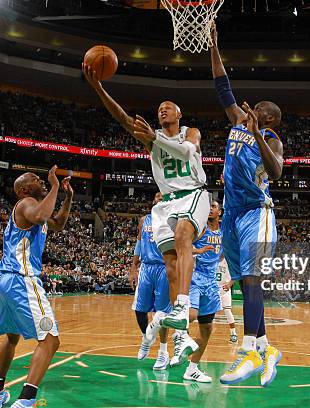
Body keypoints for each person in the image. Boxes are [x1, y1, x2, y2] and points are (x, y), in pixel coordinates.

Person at [83, 64, 210, 335]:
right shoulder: (151, 138)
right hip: (167, 201)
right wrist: (99, 88)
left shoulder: (191, 131)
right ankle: (181, 333)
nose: (162, 109)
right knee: (171, 263)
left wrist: (154, 138)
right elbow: (122, 118)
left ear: (179, 114)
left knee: (183, 236)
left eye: (168, 107)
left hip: (193, 193)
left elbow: (188, 152)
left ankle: (184, 303)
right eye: (159, 108)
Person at [210, 22, 283, 386]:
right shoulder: (237, 119)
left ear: (267, 117)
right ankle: (268, 348)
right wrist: (213, 46)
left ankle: (250, 351)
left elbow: (278, 171)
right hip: (232, 213)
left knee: (253, 278)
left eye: (259, 111)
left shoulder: (270, 137)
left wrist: (257, 133)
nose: (249, 109)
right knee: (244, 283)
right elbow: (223, 86)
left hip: (258, 212)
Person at [0, 166, 73, 408]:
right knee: (50, 340)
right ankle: (25, 400)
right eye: (35, 179)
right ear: (24, 189)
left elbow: (57, 224)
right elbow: (43, 217)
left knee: (11, 337)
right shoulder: (26, 203)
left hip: (3, 281)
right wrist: (55, 186)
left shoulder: (35, 208)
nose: (40, 180)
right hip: (20, 279)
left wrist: (68, 198)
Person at [130, 192, 180, 371]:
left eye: (163, 197)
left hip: (164, 267)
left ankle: (163, 352)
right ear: (153, 200)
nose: (160, 199)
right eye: (157, 196)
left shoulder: (173, 221)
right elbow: (138, 243)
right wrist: (133, 268)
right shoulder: (144, 220)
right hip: (146, 267)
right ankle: (147, 337)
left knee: (162, 313)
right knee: (139, 310)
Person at [178, 200, 223, 383]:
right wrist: (199, 250)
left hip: (212, 282)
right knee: (191, 316)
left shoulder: (224, 232)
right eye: (209, 207)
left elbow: (224, 253)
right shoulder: (200, 228)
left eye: (214, 206)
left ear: (220, 211)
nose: (210, 209)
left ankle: (192, 369)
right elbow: (183, 246)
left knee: (207, 329)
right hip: (196, 277)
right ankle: (176, 336)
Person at [216, 257, 238, 343]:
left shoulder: (229, 261)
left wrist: (229, 285)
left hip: (224, 288)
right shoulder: (212, 258)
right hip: (212, 288)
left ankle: (233, 334)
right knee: (206, 312)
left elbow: (236, 275)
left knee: (228, 311)